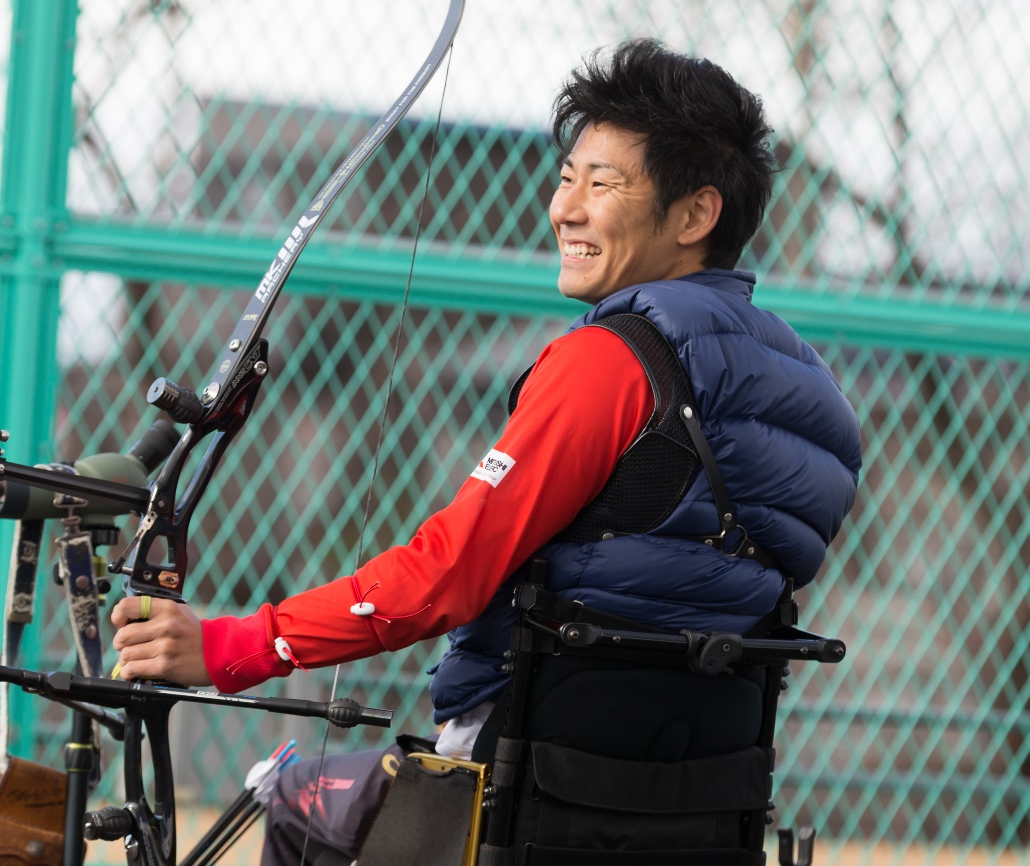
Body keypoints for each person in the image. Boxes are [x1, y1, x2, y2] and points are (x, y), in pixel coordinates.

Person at [110, 38, 862, 863]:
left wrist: (231, 646)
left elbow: (446, 574)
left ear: (694, 216)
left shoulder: (608, 363)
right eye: (567, 178)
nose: (564, 208)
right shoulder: (813, 395)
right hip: (700, 807)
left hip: (528, 790)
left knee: (291, 795)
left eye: (601, 184)